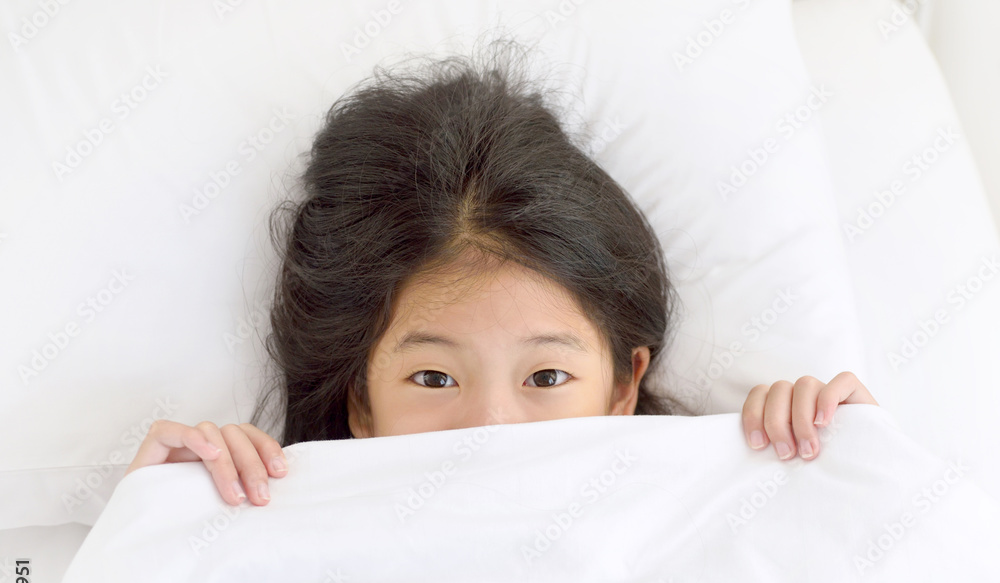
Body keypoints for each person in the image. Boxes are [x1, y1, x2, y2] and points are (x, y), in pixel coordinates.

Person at [124, 40, 878, 507]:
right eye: (433, 378)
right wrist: (160, 524)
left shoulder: (708, 512)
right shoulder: (272, 539)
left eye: (547, 377)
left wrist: (843, 469)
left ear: (623, 386)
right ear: (360, 400)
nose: (491, 428)